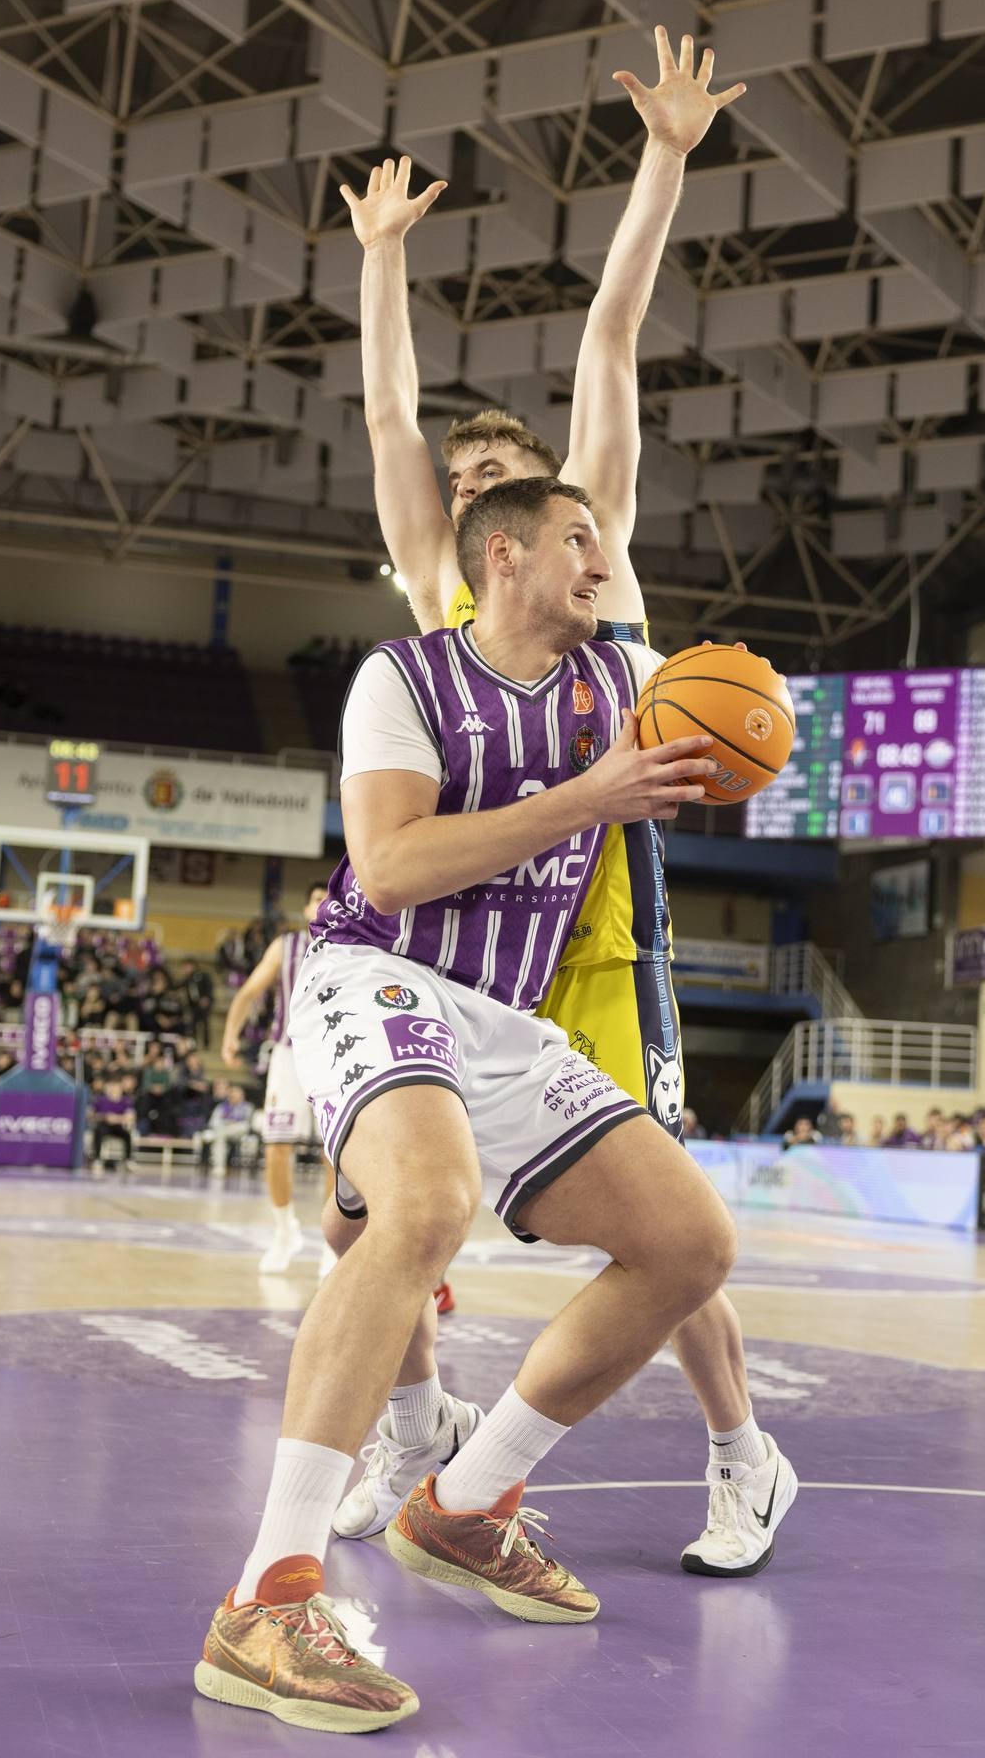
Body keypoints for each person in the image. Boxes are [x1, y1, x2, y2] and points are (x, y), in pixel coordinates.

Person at [193, 480, 797, 1733]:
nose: (603, 557)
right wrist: (591, 798)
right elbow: (394, 865)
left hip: (508, 1019)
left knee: (690, 1243)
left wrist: (752, 725)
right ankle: (268, 1595)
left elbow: (620, 401)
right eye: (580, 539)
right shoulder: (401, 680)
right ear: (505, 557)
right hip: (376, 968)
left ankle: (465, 1502)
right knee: (424, 1209)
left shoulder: (623, 679)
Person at [328, 28, 787, 1582]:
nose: (465, 488)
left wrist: (660, 160)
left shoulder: (590, 561)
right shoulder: (430, 605)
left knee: (647, 1224)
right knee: (365, 1216)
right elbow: (389, 418)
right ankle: (407, 1441)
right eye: (456, 481)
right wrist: (381, 259)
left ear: (546, 518)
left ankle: (741, 1454)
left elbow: (608, 345)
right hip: (455, 931)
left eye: (494, 477)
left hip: (593, 925)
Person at [222, 883, 332, 1276]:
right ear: (306, 907)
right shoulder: (285, 946)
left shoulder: (355, 943)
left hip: (336, 1054)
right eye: (317, 898)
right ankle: (285, 1231)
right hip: (288, 1053)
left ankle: (333, 1244)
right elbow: (249, 991)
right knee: (276, 1145)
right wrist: (230, 1035)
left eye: (329, 898)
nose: (323, 904)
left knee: (334, 1154)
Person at [196, 1081, 254, 1176]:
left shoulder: (247, 1107)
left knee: (238, 1127)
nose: (235, 1095)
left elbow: (248, 1122)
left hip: (240, 1131)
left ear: (242, 1095)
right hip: (223, 1130)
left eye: (237, 1093)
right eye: (233, 1093)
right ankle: (219, 1168)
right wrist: (226, 1123)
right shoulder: (222, 1107)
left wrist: (234, 1122)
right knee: (220, 1136)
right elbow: (213, 1122)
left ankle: (219, 1167)